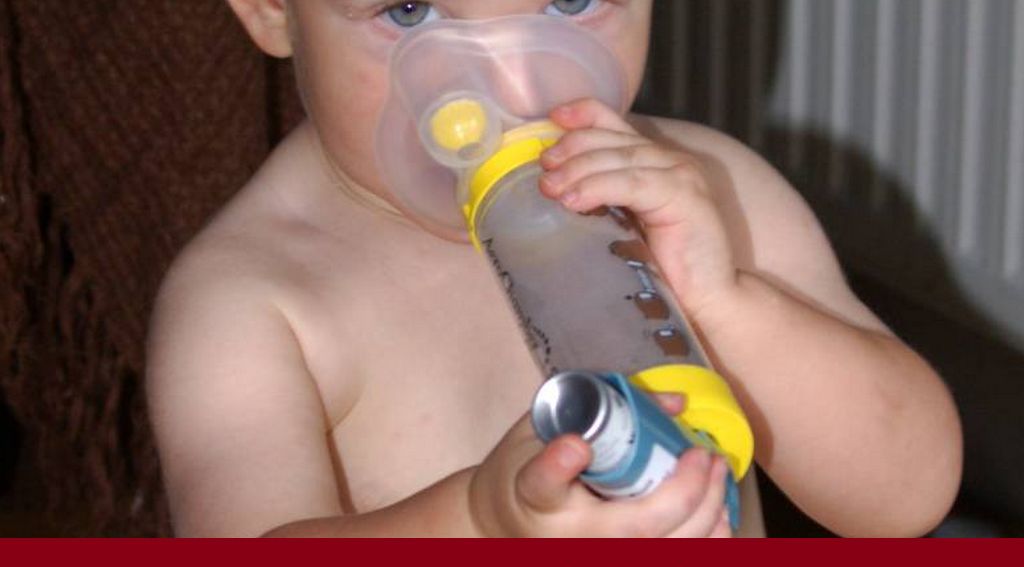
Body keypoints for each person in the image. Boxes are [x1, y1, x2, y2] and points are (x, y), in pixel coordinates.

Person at [146, 0, 962, 538]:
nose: (514, 85)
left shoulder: (708, 197)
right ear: (272, 7)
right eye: (410, 10)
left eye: (569, 2)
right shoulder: (255, 303)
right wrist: (476, 526)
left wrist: (726, 302)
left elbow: (907, 495)